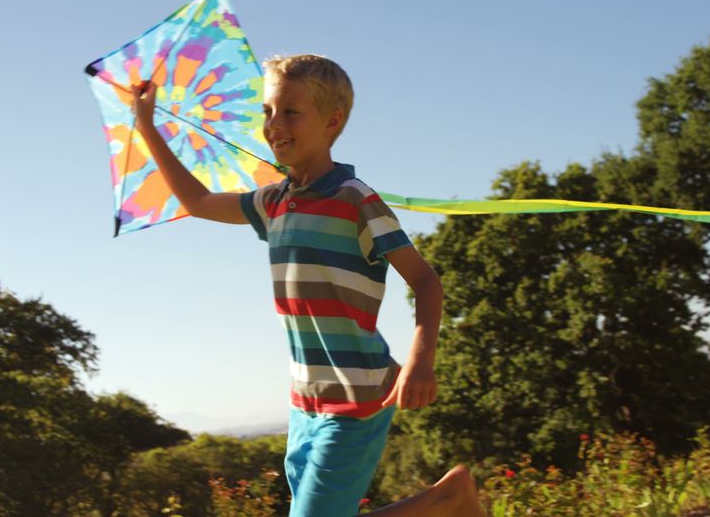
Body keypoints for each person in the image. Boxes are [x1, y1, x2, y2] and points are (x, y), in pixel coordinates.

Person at [130, 54, 484, 517]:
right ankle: (445, 499)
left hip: (358, 396)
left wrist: (421, 359)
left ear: (332, 120)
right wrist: (148, 126)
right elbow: (196, 201)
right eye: (268, 112)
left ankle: (448, 501)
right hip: (303, 401)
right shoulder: (272, 202)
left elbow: (425, 281)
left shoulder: (355, 199)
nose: (275, 124)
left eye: (290, 112)